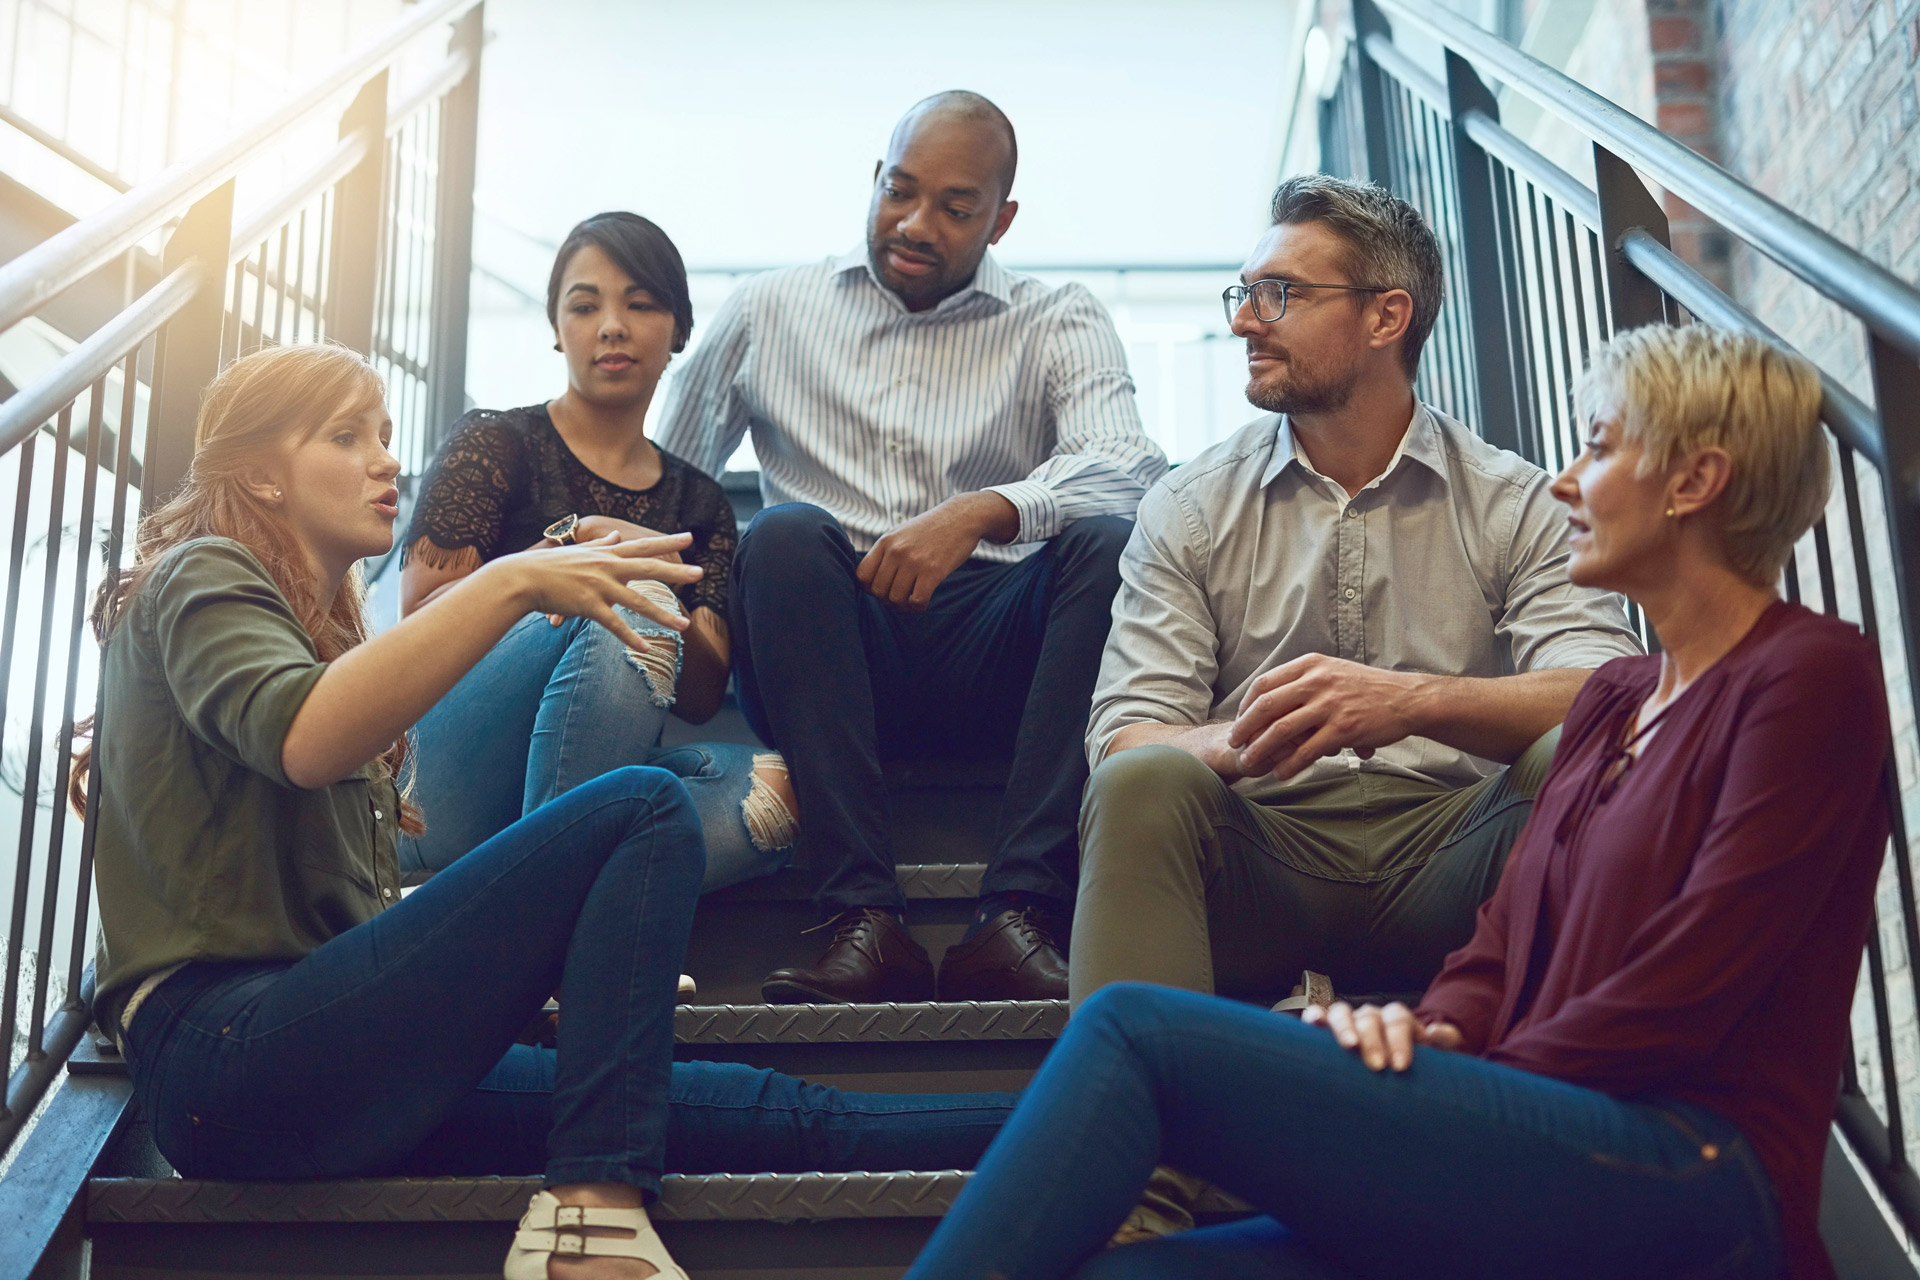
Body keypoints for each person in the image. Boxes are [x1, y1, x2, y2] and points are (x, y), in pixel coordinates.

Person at [899, 323, 1885, 1280]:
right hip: (1521, 1142)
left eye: (1598, 448)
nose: (1564, 481)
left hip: (1690, 1166)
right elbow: (1501, 941)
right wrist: (1433, 1028)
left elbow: (1694, 979)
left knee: (1133, 1035)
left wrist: (1461, 1086)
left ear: (1696, 481)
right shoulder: (1619, 700)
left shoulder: (1808, 676)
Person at [84, 344, 1017, 1280]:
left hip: (333, 1065)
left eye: (383, 435)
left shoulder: (309, 633)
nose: (385, 462)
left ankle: (1133, 1136)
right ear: (257, 473)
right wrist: (517, 575)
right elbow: (302, 735)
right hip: (235, 1057)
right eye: (345, 436)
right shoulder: (201, 574)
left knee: (760, 1108)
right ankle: (592, 1214)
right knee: (643, 807)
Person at [1071, 175, 1641, 1015]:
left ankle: (1591, 1123)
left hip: (1460, 852)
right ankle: (1151, 1140)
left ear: (1387, 317)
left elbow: (1609, 694)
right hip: (1263, 857)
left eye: (1280, 295)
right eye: (1244, 292)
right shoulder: (1189, 505)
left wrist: (1408, 703)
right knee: (1138, 785)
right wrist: (1257, 735)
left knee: (1584, 755)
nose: (1242, 320)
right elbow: (1123, 739)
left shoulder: (1515, 500)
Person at [657, 91, 1167, 1004]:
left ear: (1002, 219)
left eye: (956, 208)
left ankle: (1018, 916)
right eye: (900, 191)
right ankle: (861, 918)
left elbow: (1128, 463)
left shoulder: (1058, 317)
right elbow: (674, 487)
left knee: (1108, 542)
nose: (915, 224)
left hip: (999, 654)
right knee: (778, 536)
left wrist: (981, 513)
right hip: (830, 653)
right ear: (877, 179)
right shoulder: (768, 310)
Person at [399, 211, 797, 892]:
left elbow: (702, 698)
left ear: (679, 330)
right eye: (585, 305)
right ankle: (555, 918)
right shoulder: (496, 442)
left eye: (640, 303)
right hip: (443, 778)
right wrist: (571, 550)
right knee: (626, 597)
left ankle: (516, 891)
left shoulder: (698, 502)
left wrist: (666, 578)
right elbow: (419, 628)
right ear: (558, 330)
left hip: (577, 769)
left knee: (777, 793)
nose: (612, 325)